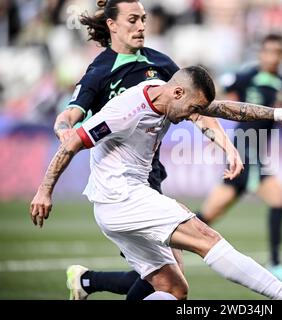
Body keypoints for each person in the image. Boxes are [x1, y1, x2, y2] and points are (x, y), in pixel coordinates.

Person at [30, 66, 282, 300]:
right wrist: (44, 190)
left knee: (173, 289)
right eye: (194, 109)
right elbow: (72, 142)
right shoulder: (125, 111)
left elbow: (222, 108)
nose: (195, 116)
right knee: (206, 237)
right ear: (178, 93)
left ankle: (88, 282)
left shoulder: (167, 94)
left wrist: (279, 114)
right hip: (121, 196)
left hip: (117, 204)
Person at [55, 0, 242, 300]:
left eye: (143, 19)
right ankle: (86, 280)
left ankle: (86, 280)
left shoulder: (160, 63)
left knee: (164, 275)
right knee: (168, 277)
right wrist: (63, 130)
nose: (141, 25)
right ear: (112, 25)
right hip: (118, 185)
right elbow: (70, 115)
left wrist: (227, 146)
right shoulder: (100, 71)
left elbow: (198, 106)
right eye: (133, 19)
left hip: (150, 176)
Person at [196, 34, 282, 286]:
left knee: (207, 215)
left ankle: (164, 239)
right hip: (244, 152)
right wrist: (210, 128)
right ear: (261, 54)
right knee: (279, 199)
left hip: (257, 155)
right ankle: (275, 264)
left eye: (277, 52)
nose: (272, 57)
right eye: (268, 51)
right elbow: (219, 99)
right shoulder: (246, 77)